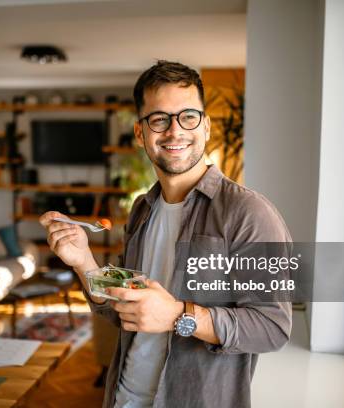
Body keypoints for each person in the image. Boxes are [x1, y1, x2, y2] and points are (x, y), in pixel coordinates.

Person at [40, 60, 292, 408]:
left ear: (206, 126)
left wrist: (177, 315)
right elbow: (125, 312)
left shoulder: (249, 213)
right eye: (159, 119)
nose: (175, 131)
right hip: (123, 397)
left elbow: (273, 328)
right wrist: (84, 262)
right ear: (141, 132)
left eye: (188, 116)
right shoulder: (143, 209)